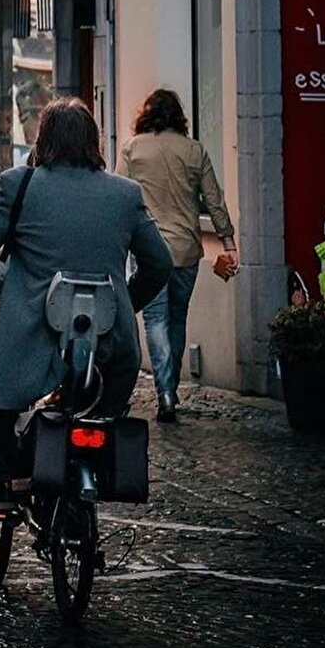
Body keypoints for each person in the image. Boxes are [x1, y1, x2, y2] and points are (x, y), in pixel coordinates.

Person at [0, 97, 171, 512]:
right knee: (99, 416)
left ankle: (3, 485)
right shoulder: (125, 194)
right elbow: (159, 264)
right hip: (109, 343)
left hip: (33, 336)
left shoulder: (21, 184)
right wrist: (124, 305)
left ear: (43, 139)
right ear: (93, 141)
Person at [119, 88, 239, 423]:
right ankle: (169, 386)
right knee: (177, 319)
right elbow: (214, 200)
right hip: (186, 249)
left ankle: (166, 393)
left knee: (156, 320)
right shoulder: (194, 150)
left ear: (147, 114)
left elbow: (119, 197)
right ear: (179, 117)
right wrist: (228, 241)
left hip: (148, 250)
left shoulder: (132, 149)